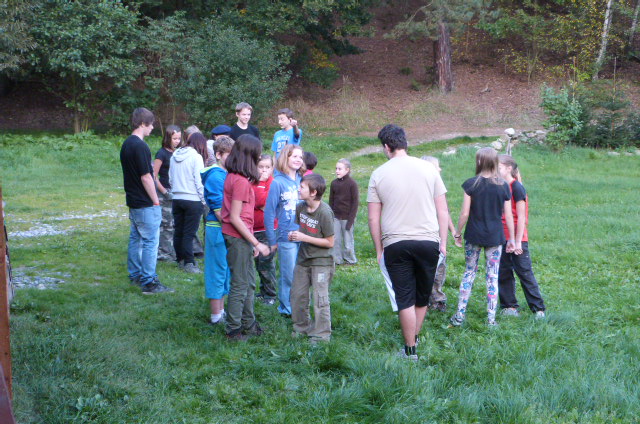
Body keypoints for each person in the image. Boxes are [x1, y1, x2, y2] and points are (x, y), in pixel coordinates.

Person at [367, 124, 449, 361]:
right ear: (405, 143)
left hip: (396, 244)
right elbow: (442, 210)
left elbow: (373, 218)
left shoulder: (378, 173)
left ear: (386, 147)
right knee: (422, 297)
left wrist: (379, 249)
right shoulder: (429, 168)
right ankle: (414, 339)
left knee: (405, 298)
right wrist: (443, 243)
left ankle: (410, 349)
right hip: (429, 242)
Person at [449, 147, 516, 327]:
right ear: (495, 162)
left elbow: (464, 214)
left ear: (479, 161)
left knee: (469, 272)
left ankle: (459, 315)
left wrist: (457, 233)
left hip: (474, 235)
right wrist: (512, 239)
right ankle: (491, 319)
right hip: (495, 237)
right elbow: (508, 215)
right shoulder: (503, 186)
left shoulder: (471, 184)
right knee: (492, 276)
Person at [221, 134, 270, 340]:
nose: (259, 159)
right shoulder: (240, 181)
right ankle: (233, 330)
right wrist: (256, 242)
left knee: (249, 282)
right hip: (237, 237)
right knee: (240, 284)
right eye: (257, 155)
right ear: (249, 156)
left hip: (242, 237)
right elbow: (234, 217)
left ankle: (249, 324)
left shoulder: (236, 177)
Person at [119, 107, 173, 294]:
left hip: (133, 200)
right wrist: (156, 201)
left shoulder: (127, 143)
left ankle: (135, 275)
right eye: (151, 124)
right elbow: (146, 177)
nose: (152, 128)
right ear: (143, 123)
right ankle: (149, 282)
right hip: (144, 202)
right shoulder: (141, 146)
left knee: (135, 239)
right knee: (150, 241)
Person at [497, 154, 546, 318]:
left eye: (499, 167)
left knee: (524, 272)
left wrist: (518, 241)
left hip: (518, 238)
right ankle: (509, 306)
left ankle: (538, 308)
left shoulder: (517, 187)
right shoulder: (500, 186)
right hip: (501, 237)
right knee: (503, 271)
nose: (495, 170)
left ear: (509, 168)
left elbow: (522, 217)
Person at [289, 174, 335, 343]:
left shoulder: (325, 212)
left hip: (322, 262)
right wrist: (294, 235)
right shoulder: (300, 207)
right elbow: (302, 231)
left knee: (320, 298)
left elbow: (330, 242)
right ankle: (301, 328)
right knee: (297, 295)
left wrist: (304, 238)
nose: (298, 189)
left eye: (302, 187)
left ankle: (321, 335)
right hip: (303, 259)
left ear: (313, 192)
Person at [264, 144, 306, 317]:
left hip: (304, 235)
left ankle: (300, 306)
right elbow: (269, 213)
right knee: (288, 275)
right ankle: (286, 309)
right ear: (285, 158)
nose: (298, 160)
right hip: (286, 237)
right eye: (294, 156)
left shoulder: (303, 181)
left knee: (302, 275)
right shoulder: (277, 182)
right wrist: (272, 240)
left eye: (300, 157)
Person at [201, 135, 235, 325]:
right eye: (229, 155)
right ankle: (216, 315)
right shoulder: (215, 176)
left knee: (225, 270)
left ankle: (221, 311)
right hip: (217, 228)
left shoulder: (226, 173)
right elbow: (219, 210)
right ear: (219, 155)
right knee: (217, 270)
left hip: (227, 229)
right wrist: (236, 228)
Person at [421, 155, 458, 312]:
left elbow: (444, 212)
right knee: (429, 269)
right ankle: (430, 300)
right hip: (426, 236)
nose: (440, 169)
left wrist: (453, 230)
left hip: (438, 236)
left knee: (439, 269)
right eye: (437, 166)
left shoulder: (438, 187)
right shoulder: (421, 189)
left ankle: (436, 299)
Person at [169, 132, 208, 273]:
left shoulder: (174, 155)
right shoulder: (196, 157)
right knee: (189, 233)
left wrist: (176, 191)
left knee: (178, 231)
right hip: (193, 199)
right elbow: (199, 181)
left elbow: (170, 178)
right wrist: (204, 200)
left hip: (177, 198)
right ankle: (189, 263)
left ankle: (180, 259)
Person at [153, 125, 182, 262]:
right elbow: (153, 176)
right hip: (164, 192)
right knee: (166, 224)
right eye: (174, 138)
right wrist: (164, 192)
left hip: (177, 191)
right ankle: (163, 253)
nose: (177, 141)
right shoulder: (161, 153)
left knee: (174, 224)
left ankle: (172, 251)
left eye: (179, 138)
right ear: (168, 138)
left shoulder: (178, 153)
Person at [253, 154, 278, 306]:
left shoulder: (271, 183)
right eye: (260, 167)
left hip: (267, 230)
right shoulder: (251, 181)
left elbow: (261, 201)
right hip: (252, 230)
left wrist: (261, 183)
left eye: (267, 167)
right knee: (258, 263)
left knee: (266, 264)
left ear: (272, 168)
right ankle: (263, 291)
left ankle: (270, 294)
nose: (264, 170)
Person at [329, 158, 359, 266]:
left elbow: (355, 203)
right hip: (336, 217)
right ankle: (337, 259)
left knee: (347, 240)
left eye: (340, 169)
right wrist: (331, 216)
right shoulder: (334, 183)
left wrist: (351, 220)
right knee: (335, 239)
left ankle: (350, 260)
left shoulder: (352, 184)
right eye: (336, 168)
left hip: (347, 217)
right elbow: (331, 201)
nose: (337, 171)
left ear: (347, 170)